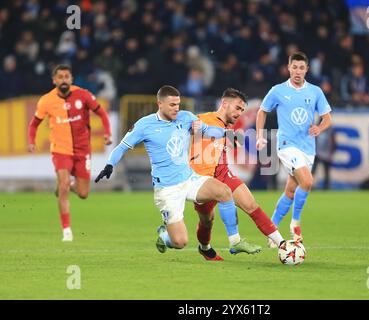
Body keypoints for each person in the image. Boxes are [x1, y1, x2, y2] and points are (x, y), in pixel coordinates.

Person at [95, 85, 260, 259]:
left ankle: (235, 242)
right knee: (180, 242)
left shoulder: (186, 118)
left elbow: (208, 130)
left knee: (224, 191)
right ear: (160, 103)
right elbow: (122, 147)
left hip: (189, 179)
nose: (176, 108)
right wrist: (109, 165)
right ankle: (165, 236)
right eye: (172, 105)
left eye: (178, 104)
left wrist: (227, 134)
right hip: (167, 189)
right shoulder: (145, 125)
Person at [189, 88, 286, 261]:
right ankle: (204, 248)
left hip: (224, 175)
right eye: (237, 108)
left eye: (242, 110)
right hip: (203, 181)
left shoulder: (229, 127)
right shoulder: (201, 119)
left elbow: (234, 141)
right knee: (207, 221)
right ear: (224, 103)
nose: (239, 113)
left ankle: (283, 244)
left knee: (251, 204)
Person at [27, 64, 112, 242]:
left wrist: (107, 133)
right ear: (54, 80)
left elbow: (102, 113)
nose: (64, 80)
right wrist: (31, 141)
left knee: (83, 193)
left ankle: (64, 186)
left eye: (67, 76)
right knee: (65, 183)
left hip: (82, 150)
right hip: (60, 150)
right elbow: (34, 124)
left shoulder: (83, 94)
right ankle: (66, 230)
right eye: (60, 77)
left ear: (71, 79)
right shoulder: (46, 101)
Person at [255, 51, 332, 246]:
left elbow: (327, 118)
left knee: (291, 190)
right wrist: (259, 136)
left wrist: (319, 127)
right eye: (294, 67)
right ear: (288, 68)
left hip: (307, 148)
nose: (297, 71)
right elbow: (262, 111)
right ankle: (295, 224)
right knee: (307, 181)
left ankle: (271, 229)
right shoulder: (278, 90)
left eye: (301, 68)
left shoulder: (315, 92)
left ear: (307, 69)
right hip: (286, 145)